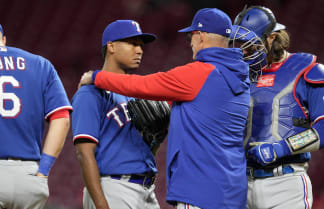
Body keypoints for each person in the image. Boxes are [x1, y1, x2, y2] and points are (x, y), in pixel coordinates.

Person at [79, 8, 250, 209]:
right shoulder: (241, 77)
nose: (191, 44)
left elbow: (143, 85)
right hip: (233, 190)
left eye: (191, 38)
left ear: (201, 37)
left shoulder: (199, 73)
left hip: (200, 190)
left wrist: (96, 76)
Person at [0, 16, 72, 209]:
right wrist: (43, 170)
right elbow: (62, 120)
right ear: (3, 39)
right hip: (29, 176)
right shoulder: (42, 65)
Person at [233, 5, 324, 209]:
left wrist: (280, 148)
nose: (244, 50)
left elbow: (323, 128)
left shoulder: (308, 69)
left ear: (272, 38)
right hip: (242, 184)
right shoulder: (238, 76)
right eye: (240, 43)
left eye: (250, 44)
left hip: (287, 184)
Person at [72, 20, 160, 209]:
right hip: (114, 187)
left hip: (146, 189)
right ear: (111, 46)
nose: (139, 50)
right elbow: (84, 153)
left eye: (141, 46)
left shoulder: (136, 94)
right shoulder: (90, 93)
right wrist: (102, 205)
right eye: (132, 44)